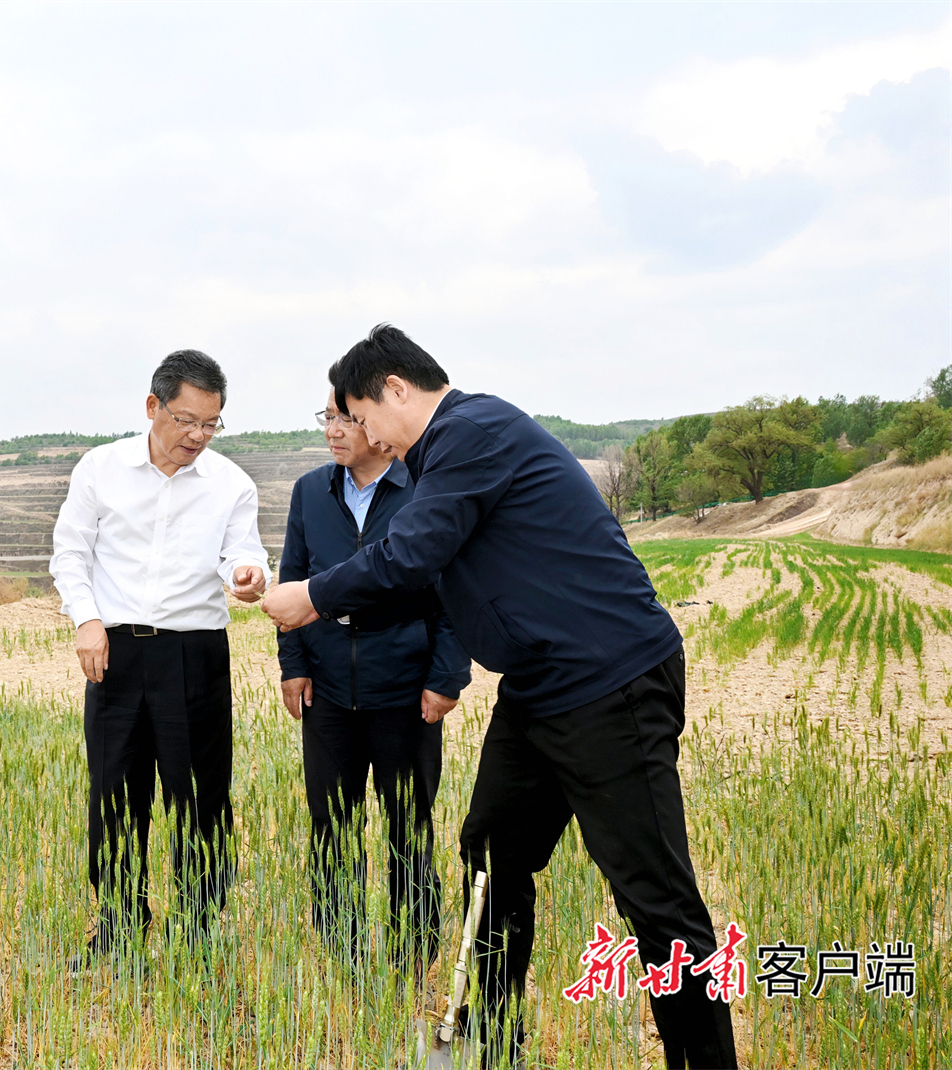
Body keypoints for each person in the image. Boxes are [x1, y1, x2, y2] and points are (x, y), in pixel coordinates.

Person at [263, 325, 738, 1069]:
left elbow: (413, 553)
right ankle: (490, 1036)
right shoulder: (440, 456)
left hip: (610, 680)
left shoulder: (472, 431)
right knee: (491, 853)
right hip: (540, 689)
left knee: (656, 897)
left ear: (395, 390)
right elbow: (419, 568)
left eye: (359, 413)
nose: (360, 431)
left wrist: (313, 597)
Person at [50, 349, 269, 970]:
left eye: (211, 424)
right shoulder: (100, 468)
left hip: (194, 653)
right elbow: (71, 553)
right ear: (153, 407)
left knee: (202, 794)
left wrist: (248, 575)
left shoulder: (231, 484)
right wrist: (87, 620)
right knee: (115, 791)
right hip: (114, 651)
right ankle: (119, 924)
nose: (197, 436)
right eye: (186, 420)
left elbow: (240, 553)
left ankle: (198, 927)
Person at [277, 389, 471, 972]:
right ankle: (344, 959)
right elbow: (293, 580)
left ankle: (414, 957)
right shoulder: (310, 491)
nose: (333, 431)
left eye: (345, 419)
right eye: (327, 419)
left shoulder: (420, 488)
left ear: (375, 423)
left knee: (409, 829)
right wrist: (294, 665)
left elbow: (451, 594)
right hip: (329, 691)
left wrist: (445, 677)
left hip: (406, 692)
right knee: (332, 828)